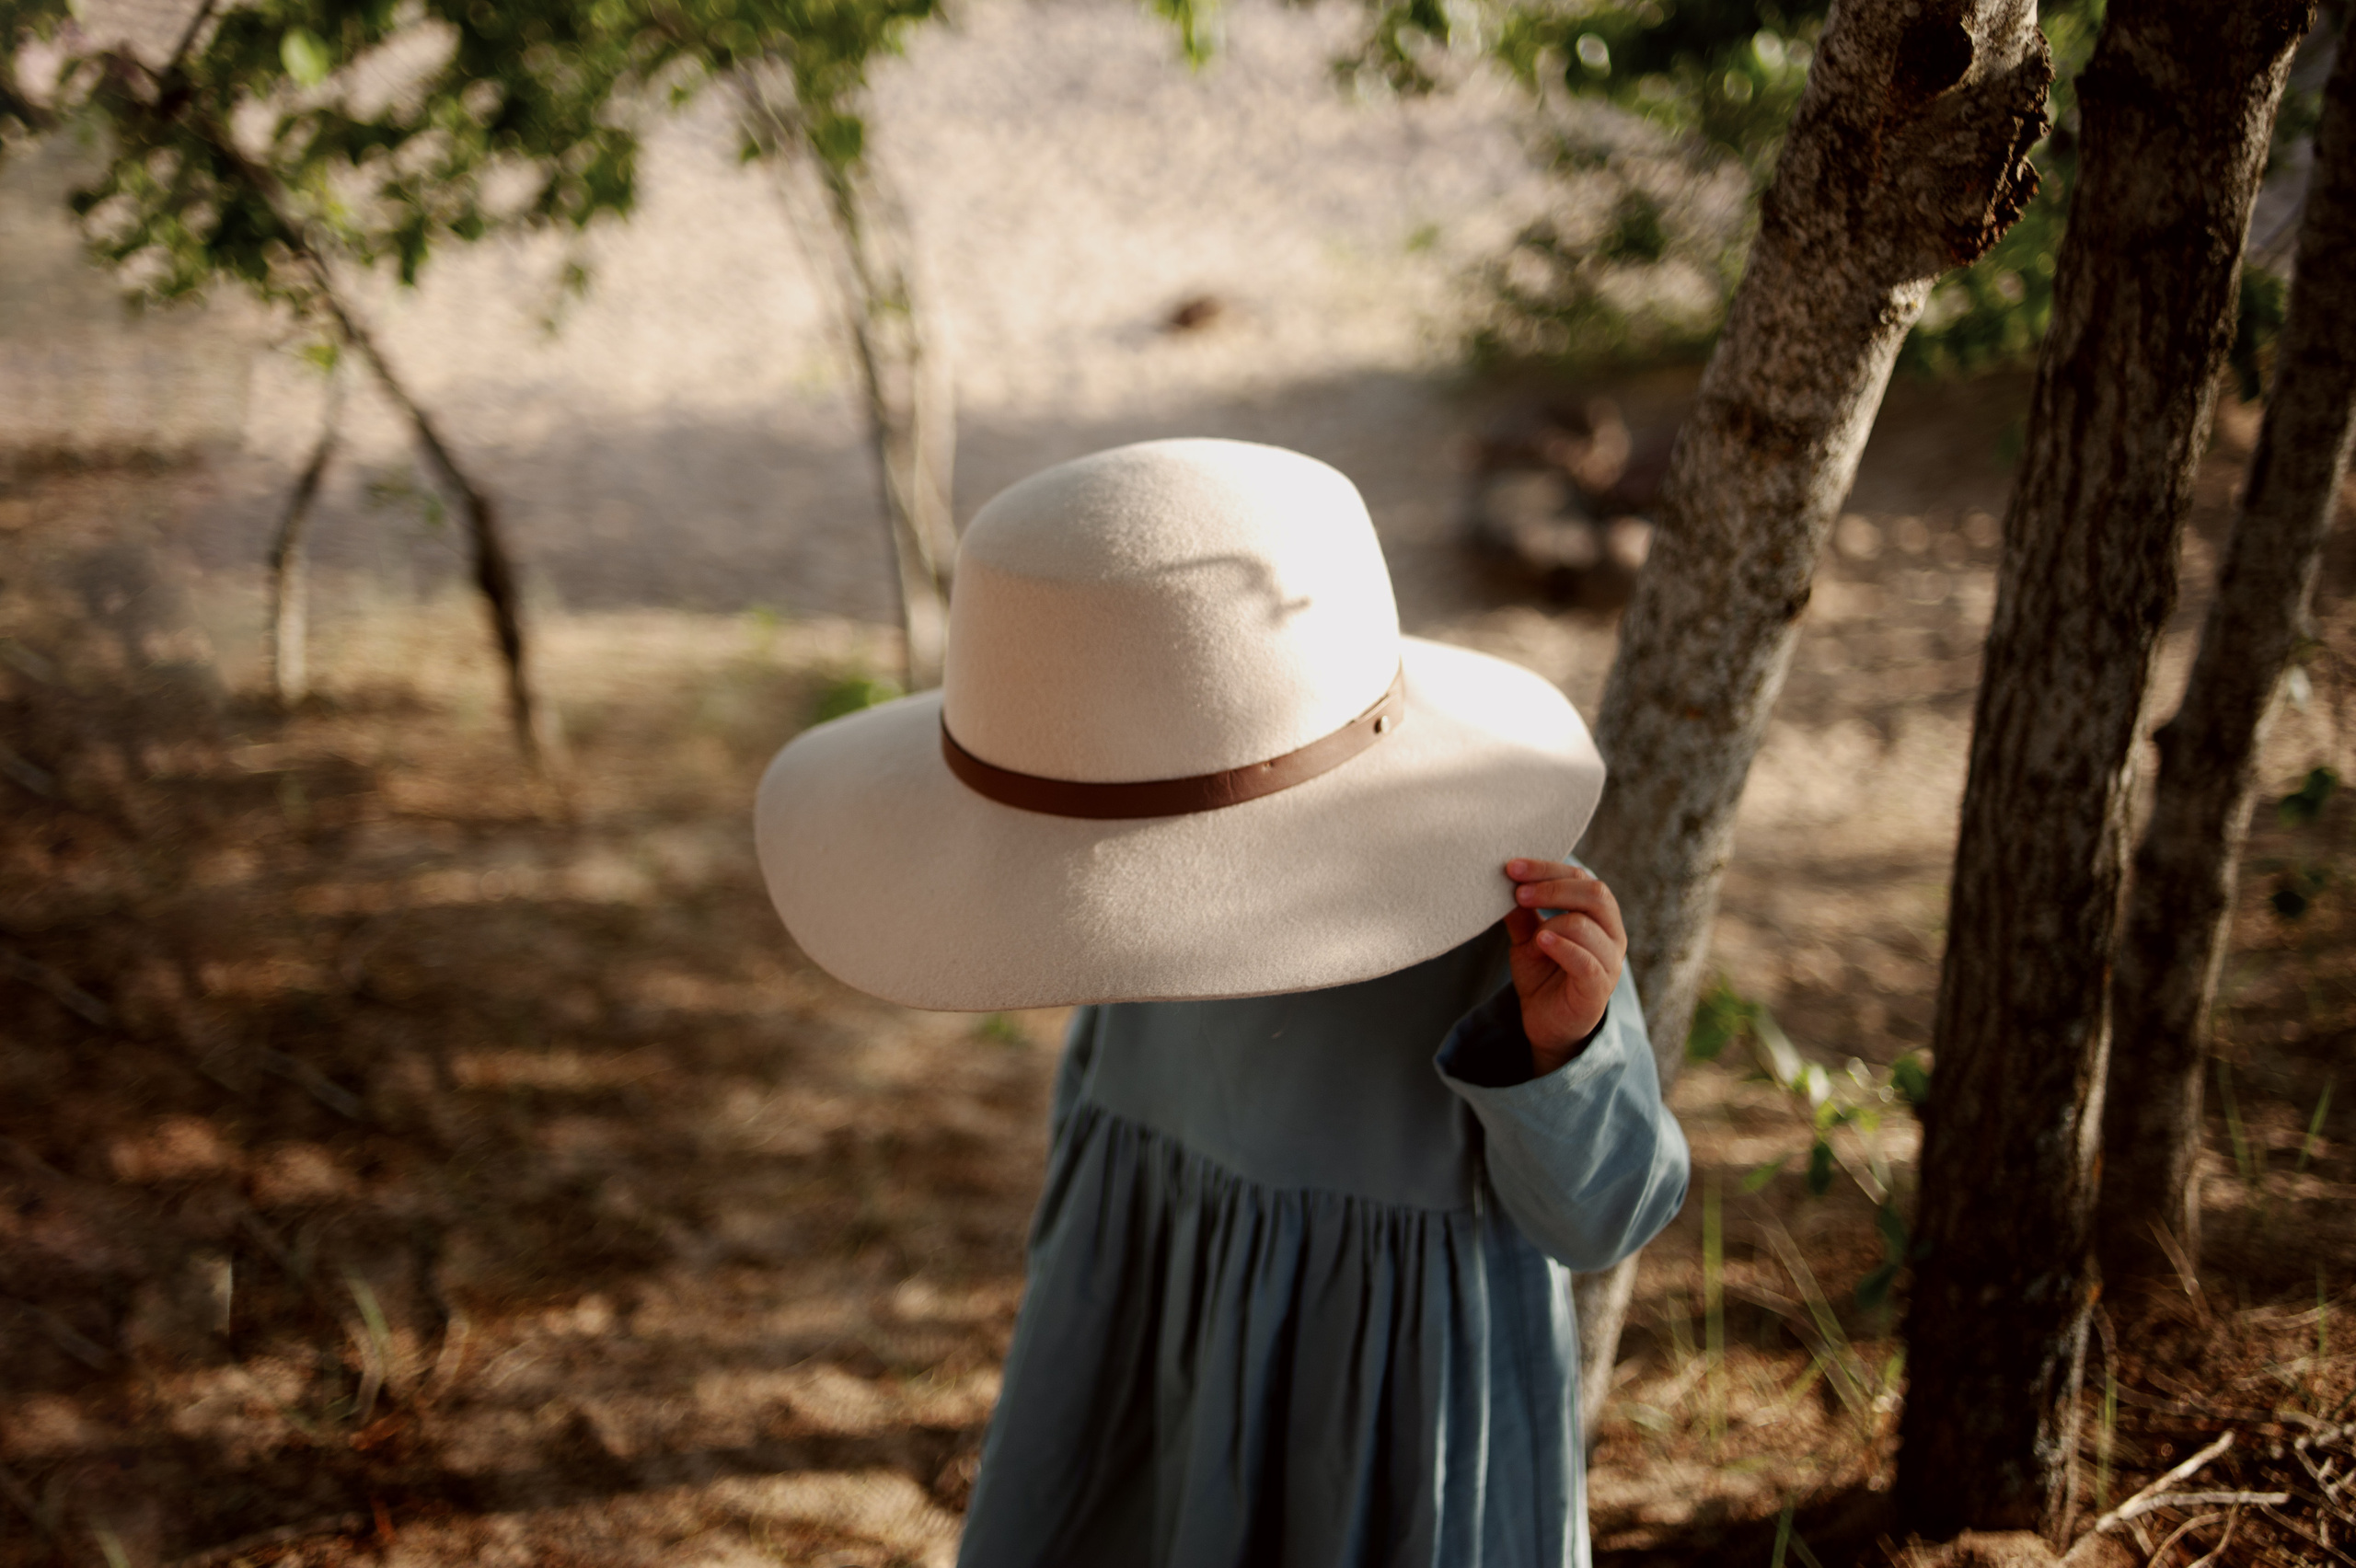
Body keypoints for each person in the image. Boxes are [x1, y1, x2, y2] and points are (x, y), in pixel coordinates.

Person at [755, 438, 1690, 1568]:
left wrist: (1567, 1044)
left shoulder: (1485, 916)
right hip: (1147, 1359)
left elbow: (1603, 1216)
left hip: (1390, 1427)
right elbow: (1092, 1148)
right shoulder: (1107, 921)